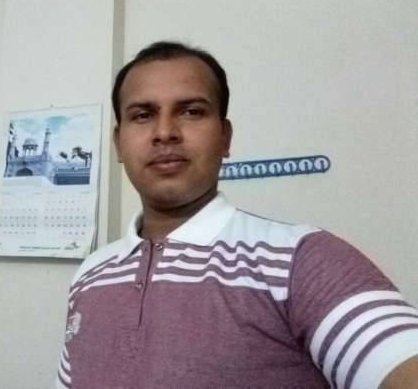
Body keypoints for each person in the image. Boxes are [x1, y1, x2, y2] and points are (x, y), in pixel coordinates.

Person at [56, 41, 418, 388]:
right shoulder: (91, 273)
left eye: (191, 111)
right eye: (143, 115)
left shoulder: (300, 260)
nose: (164, 132)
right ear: (119, 144)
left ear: (225, 137)